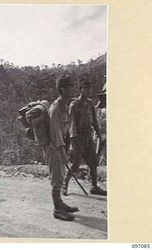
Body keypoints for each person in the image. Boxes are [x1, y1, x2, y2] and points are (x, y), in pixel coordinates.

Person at [62, 77, 107, 196]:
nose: (88, 92)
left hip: (88, 136)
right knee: (75, 165)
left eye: (89, 90)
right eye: (85, 90)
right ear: (81, 90)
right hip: (77, 138)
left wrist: (99, 133)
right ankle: (64, 185)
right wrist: (72, 142)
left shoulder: (90, 103)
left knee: (93, 163)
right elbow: (71, 125)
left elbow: (95, 121)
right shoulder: (74, 105)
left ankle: (94, 186)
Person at [45, 75, 79, 221]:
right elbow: (56, 134)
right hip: (54, 148)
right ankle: (57, 210)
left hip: (60, 146)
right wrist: (62, 151)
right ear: (63, 89)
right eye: (71, 86)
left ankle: (60, 203)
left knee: (61, 175)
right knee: (57, 177)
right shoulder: (55, 109)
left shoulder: (64, 106)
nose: (74, 88)